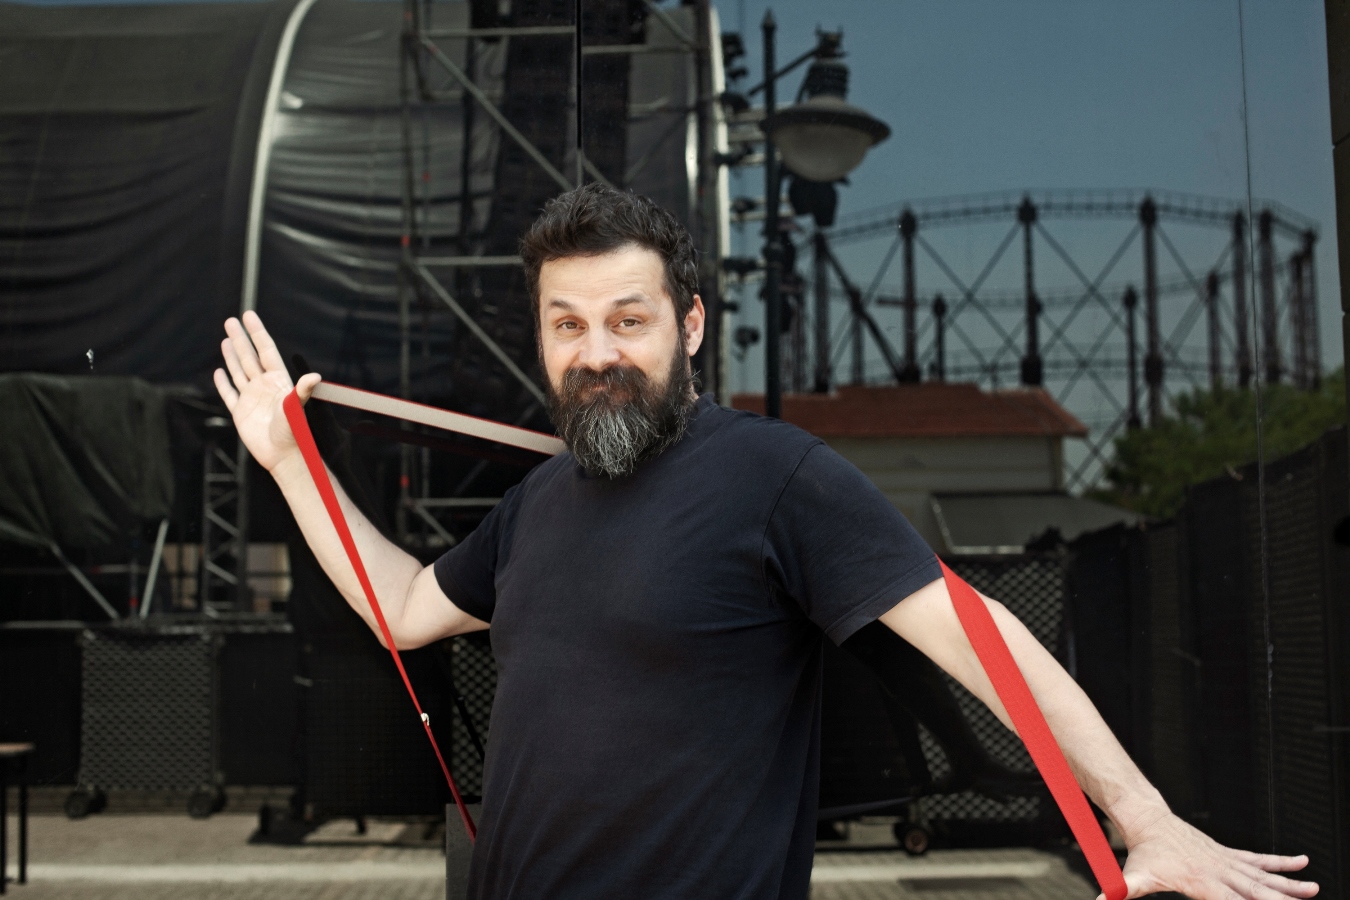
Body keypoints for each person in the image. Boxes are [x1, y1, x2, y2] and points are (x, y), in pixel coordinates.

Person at [215, 184, 1317, 900]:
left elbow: (984, 639)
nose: (597, 353)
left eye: (629, 320)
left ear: (690, 324)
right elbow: (405, 609)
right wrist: (288, 463)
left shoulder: (772, 476)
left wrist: (1142, 816)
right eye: (568, 325)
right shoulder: (537, 504)